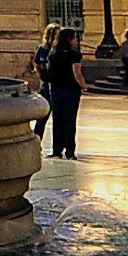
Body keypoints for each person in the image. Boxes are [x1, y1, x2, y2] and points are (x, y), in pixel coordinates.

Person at [34, 26, 82, 160]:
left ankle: (57, 150)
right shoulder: (72, 54)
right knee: (69, 120)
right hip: (68, 89)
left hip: (54, 88)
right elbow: (77, 73)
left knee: (57, 120)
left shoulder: (52, 53)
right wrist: (84, 86)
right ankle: (69, 151)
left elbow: (41, 67)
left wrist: (44, 78)